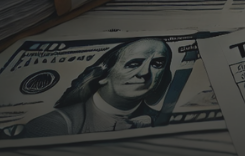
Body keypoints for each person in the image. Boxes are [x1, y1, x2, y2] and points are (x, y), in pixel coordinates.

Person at [22, 38, 172, 136]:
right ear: (103, 75)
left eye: (157, 64)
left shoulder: (166, 120)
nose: (144, 73)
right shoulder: (52, 125)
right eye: (133, 64)